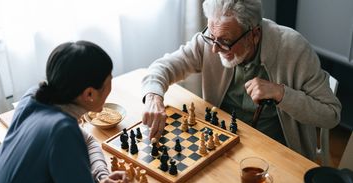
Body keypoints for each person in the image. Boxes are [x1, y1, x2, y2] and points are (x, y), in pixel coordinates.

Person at [141, 0, 341, 160]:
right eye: (212, 36)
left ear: (254, 34)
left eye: (225, 41)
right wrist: (153, 96)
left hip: (276, 151)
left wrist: (282, 93)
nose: (214, 49)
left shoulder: (294, 49)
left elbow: (331, 114)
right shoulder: (212, 39)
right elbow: (163, 67)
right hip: (222, 142)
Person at [0, 41, 130, 183]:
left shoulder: (34, 96)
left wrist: (101, 178)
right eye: (109, 80)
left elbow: (88, 141)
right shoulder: (62, 130)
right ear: (89, 94)